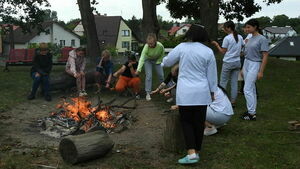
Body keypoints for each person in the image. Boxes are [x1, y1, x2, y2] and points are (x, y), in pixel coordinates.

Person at [162, 24, 218, 164]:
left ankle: (191, 153)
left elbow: (167, 62)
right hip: (202, 91)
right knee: (199, 123)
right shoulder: (208, 51)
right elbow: (212, 75)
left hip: (186, 92)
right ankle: (197, 151)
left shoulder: (182, 47)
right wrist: (212, 91)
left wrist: (163, 61)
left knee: (186, 122)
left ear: (190, 34)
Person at [211, 21, 244, 107]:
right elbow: (243, 47)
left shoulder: (227, 38)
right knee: (234, 82)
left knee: (223, 82)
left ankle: (221, 101)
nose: (223, 29)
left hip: (228, 63)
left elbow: (222, 51)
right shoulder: (240, 37)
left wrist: (216, 44)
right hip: (237, 62)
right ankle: (233, 102)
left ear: (229, 28)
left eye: (224, 27)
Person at [241, 19, 269, 121]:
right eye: (246, 27)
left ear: (255, 27)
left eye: (248, 27)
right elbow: (246, 53)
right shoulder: (250, 38)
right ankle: (251, 111)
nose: (246, 29)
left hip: (255, 64)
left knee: (247, 89)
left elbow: (265, 56)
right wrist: (243, 68)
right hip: (247, 63)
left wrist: (261, 71)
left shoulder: (262, 39)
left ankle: (251, 113)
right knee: (251, 89)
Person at [136, 33, 165, 101]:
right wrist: (138, 69)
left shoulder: (160, 46)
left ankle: (163, 89)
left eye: (151, 43)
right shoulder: (146, 47)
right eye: (148, 43)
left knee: (161, 75)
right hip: (148, 60)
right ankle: (148, 93)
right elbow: (142, 58)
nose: (150, 45)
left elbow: (162, 53)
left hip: (157, 60)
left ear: (155, 41)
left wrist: (159, 61)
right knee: (149, 76)